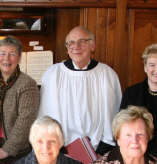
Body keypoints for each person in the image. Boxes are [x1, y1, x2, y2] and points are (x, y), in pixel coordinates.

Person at [39, 26, 121, 155]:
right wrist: (59, 149)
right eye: (71, 42)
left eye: (82, 41)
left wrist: (101, 150)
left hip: (99, 152)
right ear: (67, 48)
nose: (76, 46)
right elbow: (45, 113)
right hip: (61, 150)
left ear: (92, 46)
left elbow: (114, 114)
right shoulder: (53, 74)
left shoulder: (107, 74)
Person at [0, 36, 39, 164]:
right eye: (2, 54)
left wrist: (7, 149)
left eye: (12, 54)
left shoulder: (27, 84)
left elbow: (26, 119)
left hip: (17, 152)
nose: (6, 59)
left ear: (19, 58)